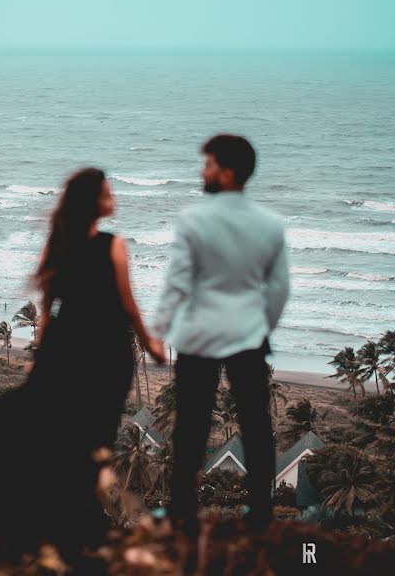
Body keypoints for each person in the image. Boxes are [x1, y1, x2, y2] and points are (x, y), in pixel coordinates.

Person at [0, 167, 165, 575]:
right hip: (105, 351)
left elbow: (46, 308)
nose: (115, 198)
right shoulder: (113, 245)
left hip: (65, 347)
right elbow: (129, 305)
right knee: (92, 433)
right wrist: (151, 345)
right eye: (109, 192)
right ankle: (69, 514)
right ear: (94, 200)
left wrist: (40, 358)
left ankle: (27, 496)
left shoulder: (60, 244)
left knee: (41, 418)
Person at [150, 134, 290, 542]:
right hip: (248, 335)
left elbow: (177, 283)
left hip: (199, 336)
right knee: (256, 422)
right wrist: (262, 324)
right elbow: (279, 289)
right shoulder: (270, 224)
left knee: (192, 423)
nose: (202, 171)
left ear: (226, 171)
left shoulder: (194, 220)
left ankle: (182, 511)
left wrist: (158, 331)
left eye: (208, 164)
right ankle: (260, 511)